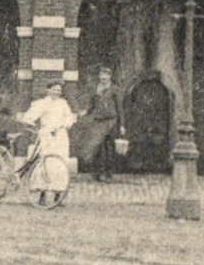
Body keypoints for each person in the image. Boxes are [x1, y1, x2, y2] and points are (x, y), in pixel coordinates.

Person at [18, 79, 76, 207]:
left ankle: (57, 196)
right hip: (47, 137)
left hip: (60, 137)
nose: (56, 92)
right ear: (48, 90)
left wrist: (63, 125)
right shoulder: (42, 103)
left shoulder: (63, 103)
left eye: (59, 90)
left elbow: (70, 118)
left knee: (60, 165)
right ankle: (42, 195)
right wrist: (32, 123)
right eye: (54, 89)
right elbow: (29, 117)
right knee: (46, 164)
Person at [77, 67, 125, 183]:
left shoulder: (114, 90)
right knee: (97, 147)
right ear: (99, 76)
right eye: (102, 75)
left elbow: (120, 108)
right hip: (98, 122)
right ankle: (97, 173)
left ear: (110, 76)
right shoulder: (96, 90)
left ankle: (108, 174)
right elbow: (92, 105)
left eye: (106, 76)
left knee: (109, 148)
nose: (103, 78)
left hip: (111, 122)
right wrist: (85, 112)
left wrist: (122, 125)